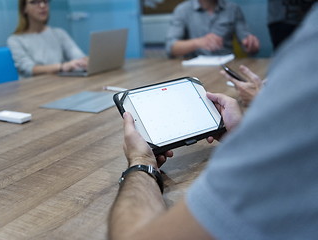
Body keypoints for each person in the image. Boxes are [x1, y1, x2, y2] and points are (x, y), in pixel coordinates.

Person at [109, 3, 318, 240]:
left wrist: (141, 160)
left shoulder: (308, 51)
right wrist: (241, 133)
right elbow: (171, 47)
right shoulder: (184, 10)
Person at [7, 0, 88, 78]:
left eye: (45, 1)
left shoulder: (59, 33)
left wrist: (85, 61)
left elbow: (78, 56)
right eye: (35, 2)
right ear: (24, 8)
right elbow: (29, 69)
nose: (42, 6)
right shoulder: (15, 40)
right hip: (35, 87)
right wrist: (62, 67)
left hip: (59, 83)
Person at [166, 0, 260, 58]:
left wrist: (251, 45)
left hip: (228, 65)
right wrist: (198, 42)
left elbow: (246, 42)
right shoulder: (182, 10)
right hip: (195, 68)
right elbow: (171, 48)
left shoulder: (233, 9)